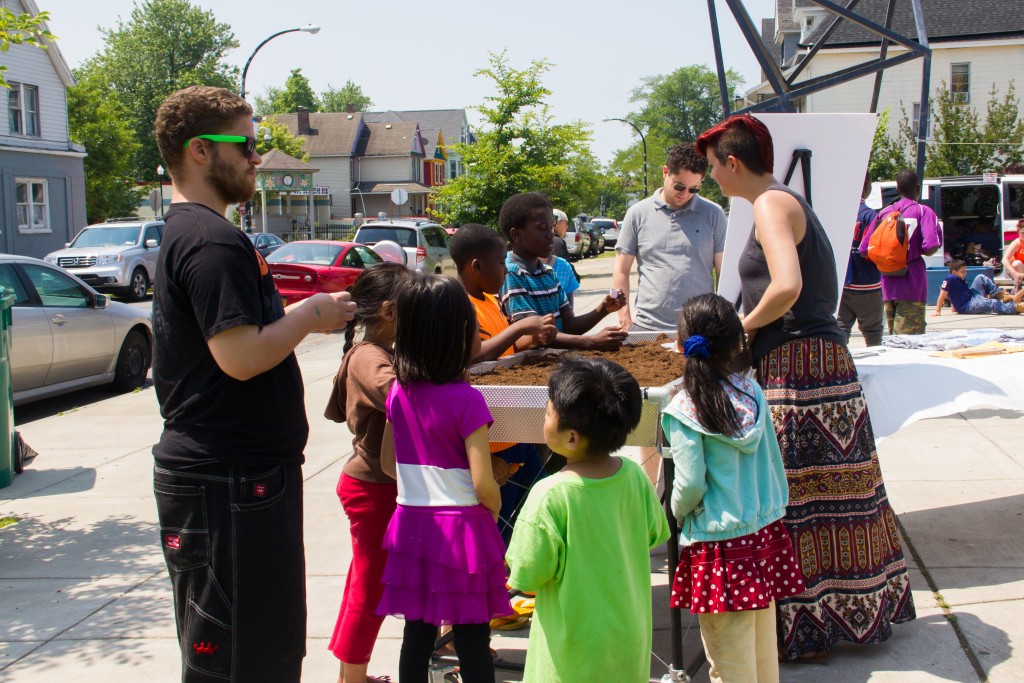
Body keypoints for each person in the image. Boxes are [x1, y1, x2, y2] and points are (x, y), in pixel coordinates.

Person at [151, 85, 357, 682]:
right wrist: (311, 315)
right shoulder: (212, 242)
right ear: (198, 150)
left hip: (234, 479)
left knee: (250, 649)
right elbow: (238, 357)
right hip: (229, 483)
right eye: (245, 143)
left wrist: (296, 322)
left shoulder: (197, 232)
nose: (256, 157)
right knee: (245, 659)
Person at [695, 114, 915, 661]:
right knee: (830, 492)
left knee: (793, 493)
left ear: (733, 162)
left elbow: (787, 285)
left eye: (713, 168)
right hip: (817, 360)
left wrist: (734, 332)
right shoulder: (783, 201)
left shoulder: (770, 203)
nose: (712, 179)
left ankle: (809, 626)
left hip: (799, 367)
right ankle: (844, 614)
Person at [377, 273, 512, 683]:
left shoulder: (398, 392)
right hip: (463, 529)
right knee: (472, 634)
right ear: (458, 335)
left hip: (411, 525)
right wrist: (495, 506)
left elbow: (387, 463)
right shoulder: (467, 399)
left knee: (416, 631)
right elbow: (483, 480)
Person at [663, 293, 800, 683]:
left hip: (719, 548)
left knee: (728, 661)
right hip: (763, 533)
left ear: (680, 344)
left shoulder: (684, 410)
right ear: (738, 343)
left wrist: (676, 512)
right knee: (760, 652)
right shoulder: (752, 392)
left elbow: (688, 484)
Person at [505, 357, 669, 682]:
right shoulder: (635, 477)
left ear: (571, 438)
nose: (545, 418)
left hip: (570, 658)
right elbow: (653, 534)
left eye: (549, 413)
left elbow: (527, 574)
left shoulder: (549, 494)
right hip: (628, 645)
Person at [323, 263, 412, 683]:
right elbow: (399, 397)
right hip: (372, 488)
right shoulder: (369, 356)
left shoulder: (377, 352)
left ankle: (350, 676)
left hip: (377, 485)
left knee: (365, 583)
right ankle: (353, 679)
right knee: (369, 589)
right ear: (391, 312)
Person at [449, 223, 557, 544]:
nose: (504, 271)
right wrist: (519, 328)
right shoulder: (463, 307)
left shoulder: (489, 300)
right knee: (501, 515)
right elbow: (475, 357)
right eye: (500, 264)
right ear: (476, 267)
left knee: (534, 497)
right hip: (492, 437)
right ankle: (501, 571)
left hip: (513, 426)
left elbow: (504, 351)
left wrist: (531, 339)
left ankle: (518, 562)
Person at [612, 143, 727, 332]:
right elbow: (620, 272)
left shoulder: (714, 214)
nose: (685, 194)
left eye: (694, 189)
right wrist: (624, 319)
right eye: (679, 186)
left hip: (700, 327)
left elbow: (724, 273)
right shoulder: (637, 213)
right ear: (666, 172)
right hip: (647, 326)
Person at [498, 192, 627, 351]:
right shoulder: (511, 275)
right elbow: (538, 335)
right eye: (542, 228)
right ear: (516, 234)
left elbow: (569, 326)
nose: (550, 235)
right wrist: (591, 342)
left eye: (551, 227)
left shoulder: (548, 272)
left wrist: (603, 309)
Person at [859, 169, 942, 335]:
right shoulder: (923, 212)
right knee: (909, 343)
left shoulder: (883, 213)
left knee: (893, 339)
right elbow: (930, 247)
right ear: (918, 189)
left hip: (888, 286)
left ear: (897, 190)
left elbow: (864, 250)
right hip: (913, 285)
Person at [837, 173, 884, 346]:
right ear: (866, 186)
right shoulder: (870, 216)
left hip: (842, 283)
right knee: (873, 333)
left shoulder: (839, 214)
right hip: (867, 284)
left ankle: (839, 368)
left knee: (841, 330)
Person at [933, 259, 1024, 316]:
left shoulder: (957, 278)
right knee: (992, 303)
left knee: (980, 277)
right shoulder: (949, 279)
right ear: (954, 272)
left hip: (972, 295)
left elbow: (957, 293)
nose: (965, 274)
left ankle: (998, 295)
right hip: (968, 305)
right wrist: (938, 311)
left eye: (965, 271)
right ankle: (1016, 308)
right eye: (962, 272)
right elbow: (942, 295)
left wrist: (954, 306)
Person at [1001, 219, 1024, 292]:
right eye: (1022, 233)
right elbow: (1004, 259)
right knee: (1017, 263)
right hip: (1017, 271)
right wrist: (1015, 273)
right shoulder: (1017, 243)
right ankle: (1018, 287)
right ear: (1018, 233)